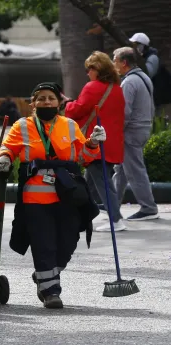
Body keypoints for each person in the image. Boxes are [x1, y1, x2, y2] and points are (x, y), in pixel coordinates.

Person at [0, 82, 105, 309]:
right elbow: (9, 148)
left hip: (68, 196)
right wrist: (4, 158)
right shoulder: (22, 126)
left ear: (59, 103)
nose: (46, 102)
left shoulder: (70, 125)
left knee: (68, 242)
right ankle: (51, 291)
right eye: (41, 98)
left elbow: (84, 156)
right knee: (44, 244)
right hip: (35, 200)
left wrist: (93, 143)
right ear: (33, 103)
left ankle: (44, 277)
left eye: (51, 98)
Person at [63, 51, 126, 232]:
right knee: (88, 182)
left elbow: (77, 110)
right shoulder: (116, 89)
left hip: (96, 143)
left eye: (89, 68)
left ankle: (115, 220)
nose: (87, 73)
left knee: (103, 182)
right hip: (112, 143)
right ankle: (81, 216)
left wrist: (66, 104)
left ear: (97, 69)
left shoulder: (92, 87)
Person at [112, 47, 159, 221]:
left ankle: (148, 208)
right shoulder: (143, 77)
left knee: (135, 171)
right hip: (142, 128)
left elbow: (124, 112)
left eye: (115, 60)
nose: (113, 64)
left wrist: (116, 132)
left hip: (131, 132)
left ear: (124, 63)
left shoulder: (130, 82)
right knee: (122, 170)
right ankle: (113, 203)